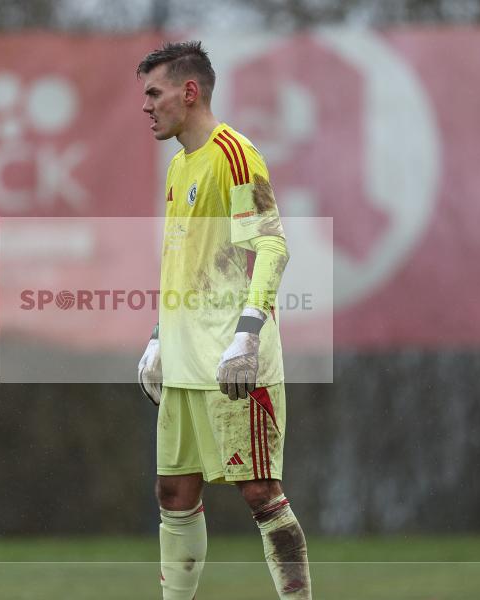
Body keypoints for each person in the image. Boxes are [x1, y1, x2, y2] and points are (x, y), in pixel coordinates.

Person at [136, 41, 312, 600]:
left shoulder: (234, 154)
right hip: (186, 360)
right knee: (173, 494)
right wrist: (160, 338)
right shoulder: (180, 164)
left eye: (153, 92)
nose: (146, 105)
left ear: (189, 92)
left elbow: (271, 247)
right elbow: (183, 264)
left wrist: (247, 336)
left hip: (232, 360)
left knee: (261, 492)